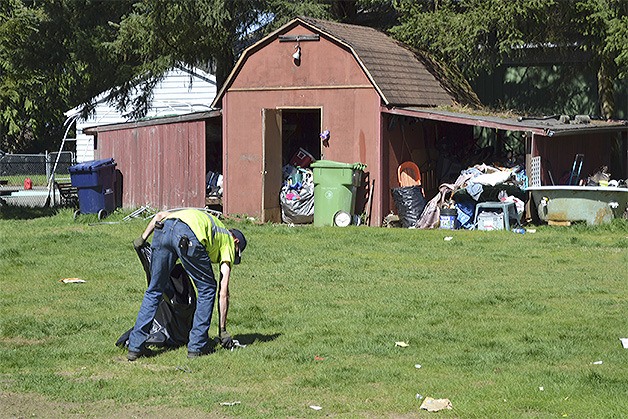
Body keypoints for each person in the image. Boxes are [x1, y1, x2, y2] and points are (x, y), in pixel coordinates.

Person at [127, 208, 247, 361]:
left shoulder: (206, 219)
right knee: (208, 289)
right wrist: (222, 330)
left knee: (154, 290)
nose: (233, 256)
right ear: (236, 241)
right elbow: (223, 292)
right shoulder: (229, 242)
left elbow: (160, 216)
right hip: (187, 236)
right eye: (236, 252)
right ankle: (197, 346)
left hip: (163, 229)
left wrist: (142, 239)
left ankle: (135, 347)